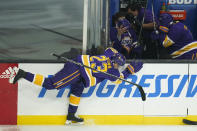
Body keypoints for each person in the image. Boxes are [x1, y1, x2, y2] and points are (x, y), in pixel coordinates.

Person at [9, 47, 143, 124]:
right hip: (76, 70)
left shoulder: (109, 54)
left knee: (78, 89)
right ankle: (22, 73)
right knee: (51, 85)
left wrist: (117, 56)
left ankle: (71, 116)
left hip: (79, 66)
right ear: (114, 62)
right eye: (117, 64)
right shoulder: (111, 71)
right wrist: (128, 71)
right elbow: (119, 79)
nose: (117, 66)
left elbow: (109, 49)